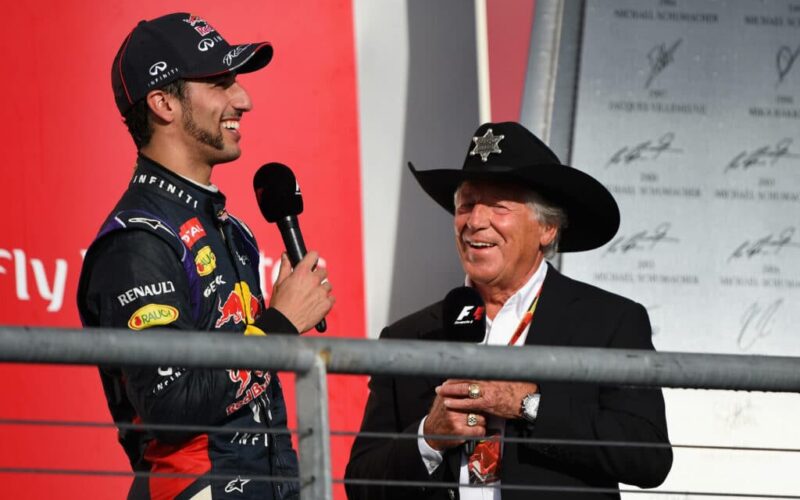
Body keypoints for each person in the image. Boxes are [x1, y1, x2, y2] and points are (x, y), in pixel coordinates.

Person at [76, 13, 334, 500]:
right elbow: (170, 406)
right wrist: (278, 325)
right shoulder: (137, 243)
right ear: (162, 103)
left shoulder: (232, 230)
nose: (244, 99)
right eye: (220, 82)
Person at [345, 122, 672, 499]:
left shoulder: (608, 322)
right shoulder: (409, 336)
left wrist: (527, 405)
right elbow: (361, 484)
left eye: (498, 206)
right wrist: (428, 438)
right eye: (466, 204)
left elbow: (649, 459)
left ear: (547, 228)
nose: (475, 221)